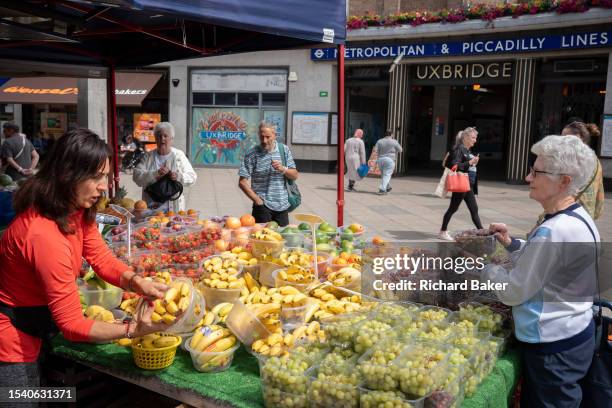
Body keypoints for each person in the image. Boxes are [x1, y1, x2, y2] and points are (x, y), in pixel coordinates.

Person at [0, 129, 168, 389]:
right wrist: (133, 329)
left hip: (40, 323)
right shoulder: (44, 236)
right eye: (96, 176)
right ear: (68, 175)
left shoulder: (73, 209)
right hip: (12, 338)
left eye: (105, 176)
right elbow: (73, 325)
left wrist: (137, 282)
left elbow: (100, 256)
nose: (104, 186)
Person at [483, 135, 599, 408]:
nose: (527, 177)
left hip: (553, 345)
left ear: (565, 181)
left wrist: (484, 268)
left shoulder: (554, 230)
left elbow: (513, 292)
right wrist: (512, 245)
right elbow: (550, 263)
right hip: (574, 334)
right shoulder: (577, 217)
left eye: (537, 172)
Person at [239, 121, 298, 227]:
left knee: (281, 240)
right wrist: (257, 200)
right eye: (261, 137)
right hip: (262, 207)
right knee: (261, 240)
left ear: (275, 135)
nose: (264, 140)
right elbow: (242, 182)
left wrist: (283, 169)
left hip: (282, 206)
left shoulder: (284, 150)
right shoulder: (252, 154)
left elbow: (294, 175)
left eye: (268, 137)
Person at [133, 122, 197, 212]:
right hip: (150, 209)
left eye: (165, 136)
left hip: (173, 209)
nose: (162, 139)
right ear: (155, 138)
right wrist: (155, 174)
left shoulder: (178, 155)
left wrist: (178, 176)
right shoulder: (148, 156)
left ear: (171, 139)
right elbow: (136, 176)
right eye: (159, 136)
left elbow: (192, 177)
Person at [438, 127, 483, 241]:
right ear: (466, 137)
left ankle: (483, 233)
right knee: (453, 208)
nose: (475, 140)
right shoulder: (459, 149)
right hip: (461, 184)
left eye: (475, 138)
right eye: (473, 137)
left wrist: (472, 163)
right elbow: (454, 166)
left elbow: (466, 165)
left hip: (467, 185)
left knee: (474, 209)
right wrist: (470, 162)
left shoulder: (467, 150)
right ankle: (443, 231)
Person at [561, 121, 604, 220]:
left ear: (580, 139)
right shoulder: (596, 161)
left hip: (569, 216)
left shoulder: (573, 161)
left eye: (566, 138)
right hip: (586, 216)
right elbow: (600, 197)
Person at [373, 129, 403, 195]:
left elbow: (375, 150)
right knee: (387, 175)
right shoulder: (394, 141)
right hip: (390, 159)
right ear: (391, 134)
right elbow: (400, 150)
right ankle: (382, 189)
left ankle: (387, 187)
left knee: (383, 174)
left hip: (380, 159)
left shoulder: (379, 141)